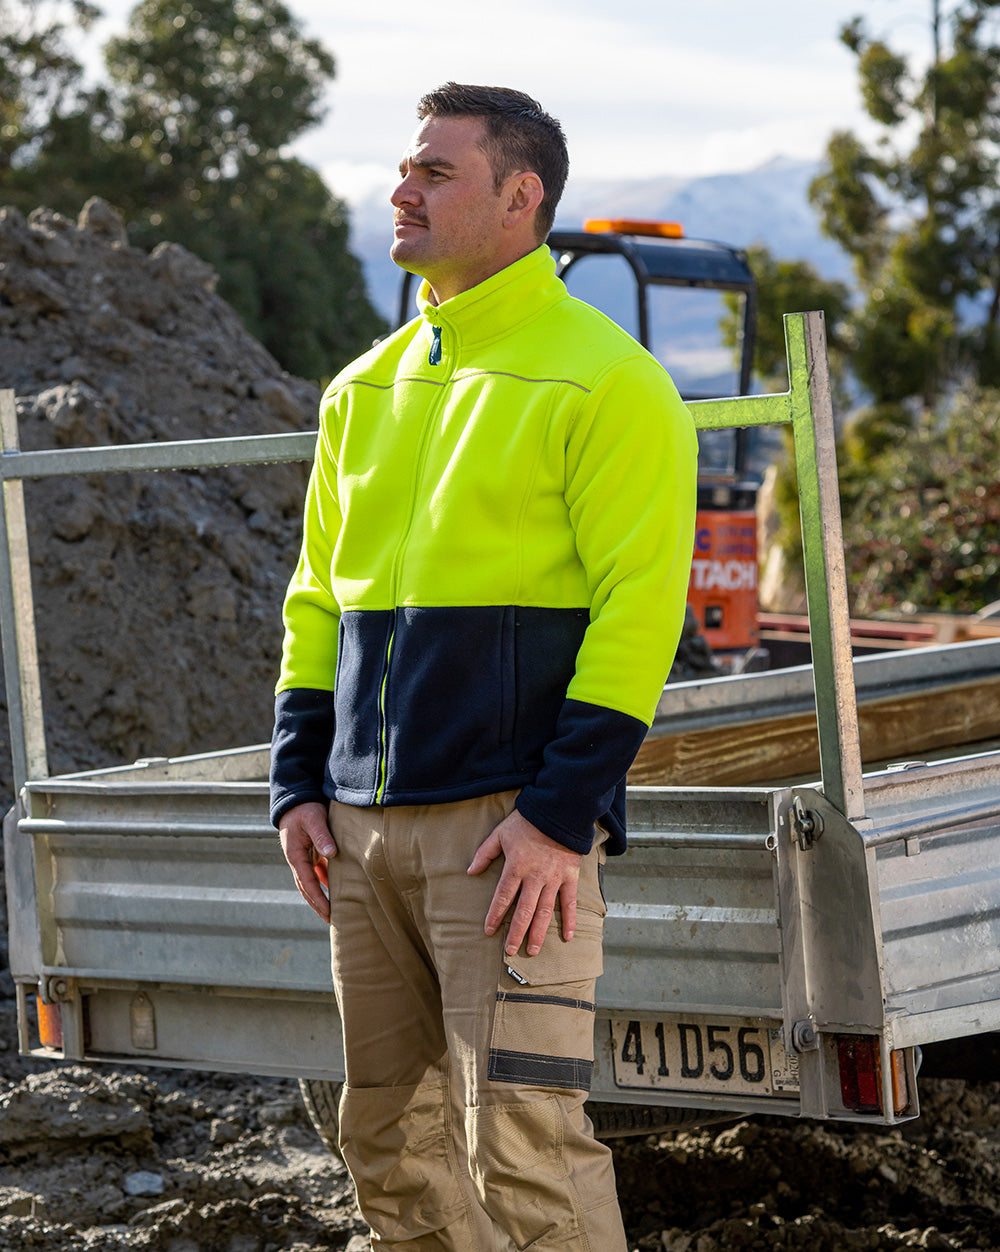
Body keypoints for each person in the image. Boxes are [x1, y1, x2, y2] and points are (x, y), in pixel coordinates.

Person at [270, 82, 698, 1251]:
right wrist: (298, 783)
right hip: (359, 837)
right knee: (389, 1147)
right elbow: (320, 597)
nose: (400, 191)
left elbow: (636, 613)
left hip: (507, 839)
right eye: (404, 169)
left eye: (434, 173)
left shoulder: (607, 383)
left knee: (521, 1151)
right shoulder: (363, 389)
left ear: (521, 199)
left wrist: (560, 819)